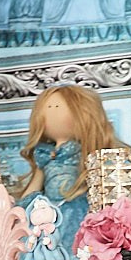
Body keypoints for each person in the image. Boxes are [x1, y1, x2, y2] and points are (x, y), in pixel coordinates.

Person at [15, 85, 121, 246]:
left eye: (57, 106)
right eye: (47, 107)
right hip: (48, 212)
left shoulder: (86, 155)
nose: (50, 112)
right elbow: (33, 188)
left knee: (76, 248)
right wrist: (23, 207)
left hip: (76, 211)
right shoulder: (44, 156)